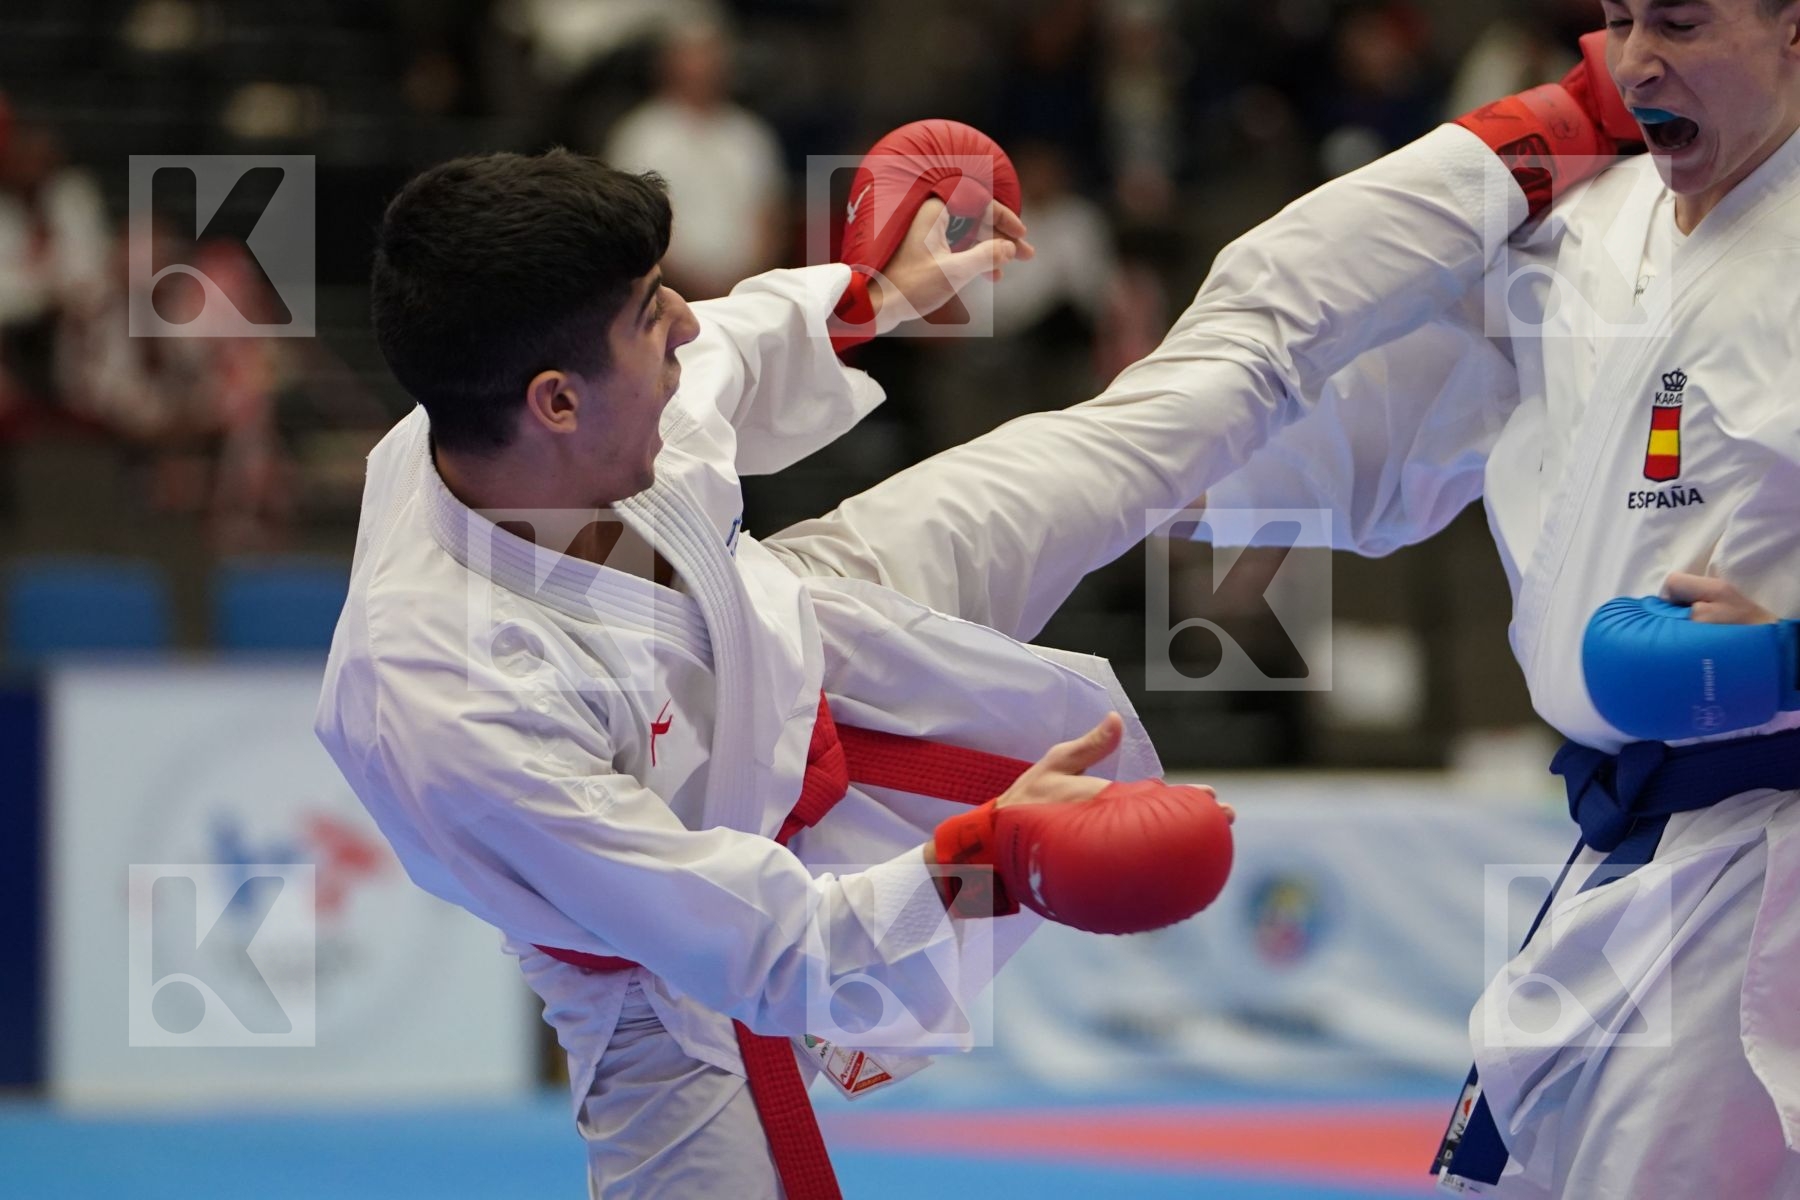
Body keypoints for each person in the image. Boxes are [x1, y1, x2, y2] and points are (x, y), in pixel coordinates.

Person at [775, 14, 1800, 1196]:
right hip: (1623, 848)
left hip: (1764, 857)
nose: (1636, 60)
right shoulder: (1585, 229)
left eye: (1678, 20)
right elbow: (1325, 389)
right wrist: (1173, 447)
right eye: (1618, 19)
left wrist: (1785, 665)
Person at [314, 133, 1233, 1200]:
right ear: (558, 402)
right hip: (655, 986)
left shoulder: (525, 421)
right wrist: (979, 858)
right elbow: (753, 939)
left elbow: (725, 354)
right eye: (653, 309)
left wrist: (869, 294)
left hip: (799, 638)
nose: (686, 323)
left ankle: (1462, 181)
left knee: (1152, 434)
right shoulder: (451, 695)